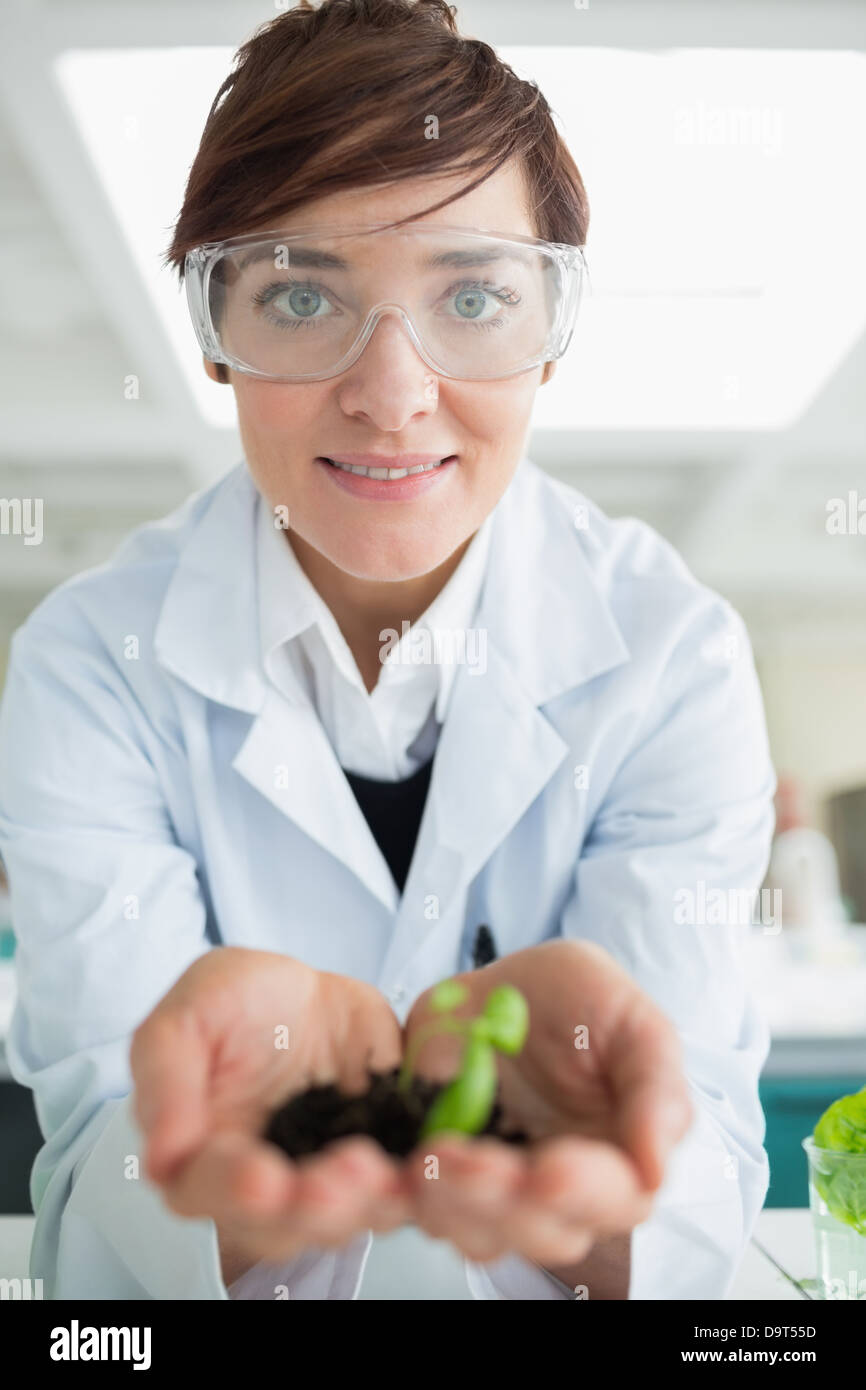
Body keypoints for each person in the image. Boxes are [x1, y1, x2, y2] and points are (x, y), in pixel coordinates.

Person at [0, 0, 776, 1301]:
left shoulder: (670, 654)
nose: (393, 391)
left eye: (472, 295)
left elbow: (693, 1180)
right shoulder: (93, 660)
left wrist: (601, 1183)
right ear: (210, 328)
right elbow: (95, 1205)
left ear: (552, 328)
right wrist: (219, 1161)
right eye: (301, 294)